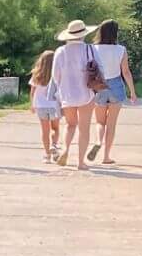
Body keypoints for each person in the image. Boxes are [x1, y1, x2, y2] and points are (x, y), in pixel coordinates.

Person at [50, 20, 101, 168]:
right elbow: (100, 68)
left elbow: (55, 75)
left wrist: (62, 87)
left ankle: (65, 150)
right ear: (83, 34)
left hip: (67, 94)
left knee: (70, 125)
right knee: (84, 128)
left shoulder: (61, 51)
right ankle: (80, 162)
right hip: (86, 92)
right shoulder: (90, 49)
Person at [88, 18, 134, 166]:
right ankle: (106, 156)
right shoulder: (121, 49)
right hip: (116, 86)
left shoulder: (92, 49)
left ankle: (97, 142)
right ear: (115, 33)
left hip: (99, 85)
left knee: (100, 122)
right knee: (111, 124)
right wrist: (132, 92)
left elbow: (87, 69)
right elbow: (125, 72)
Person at [29, 50, 61, 163]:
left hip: (41, 106)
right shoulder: (57, 74)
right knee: (55, 128)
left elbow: (32, 91)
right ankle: (54, 145)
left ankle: (47, 155)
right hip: (54, 105)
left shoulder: (36, 74)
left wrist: (32, 104)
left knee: (45, 130)